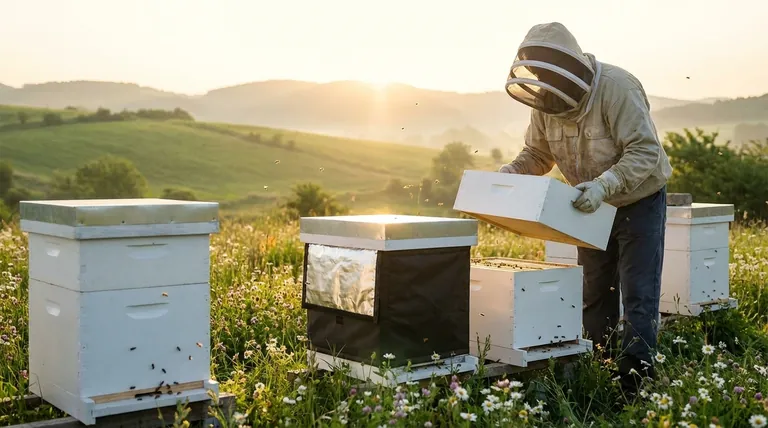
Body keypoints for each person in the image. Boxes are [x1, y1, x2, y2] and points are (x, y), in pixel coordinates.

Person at [497, 22, 673, 395]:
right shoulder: (546, 98)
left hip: (638, 200)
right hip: (588, 206)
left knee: (638, 293)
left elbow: (645, 151)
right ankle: (599, 369)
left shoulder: (618, 88)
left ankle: (634, 383)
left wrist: (605, 184)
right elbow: (537, 154)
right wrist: (510, 175)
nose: (544, 83)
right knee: (595, 292)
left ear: (571, 67)